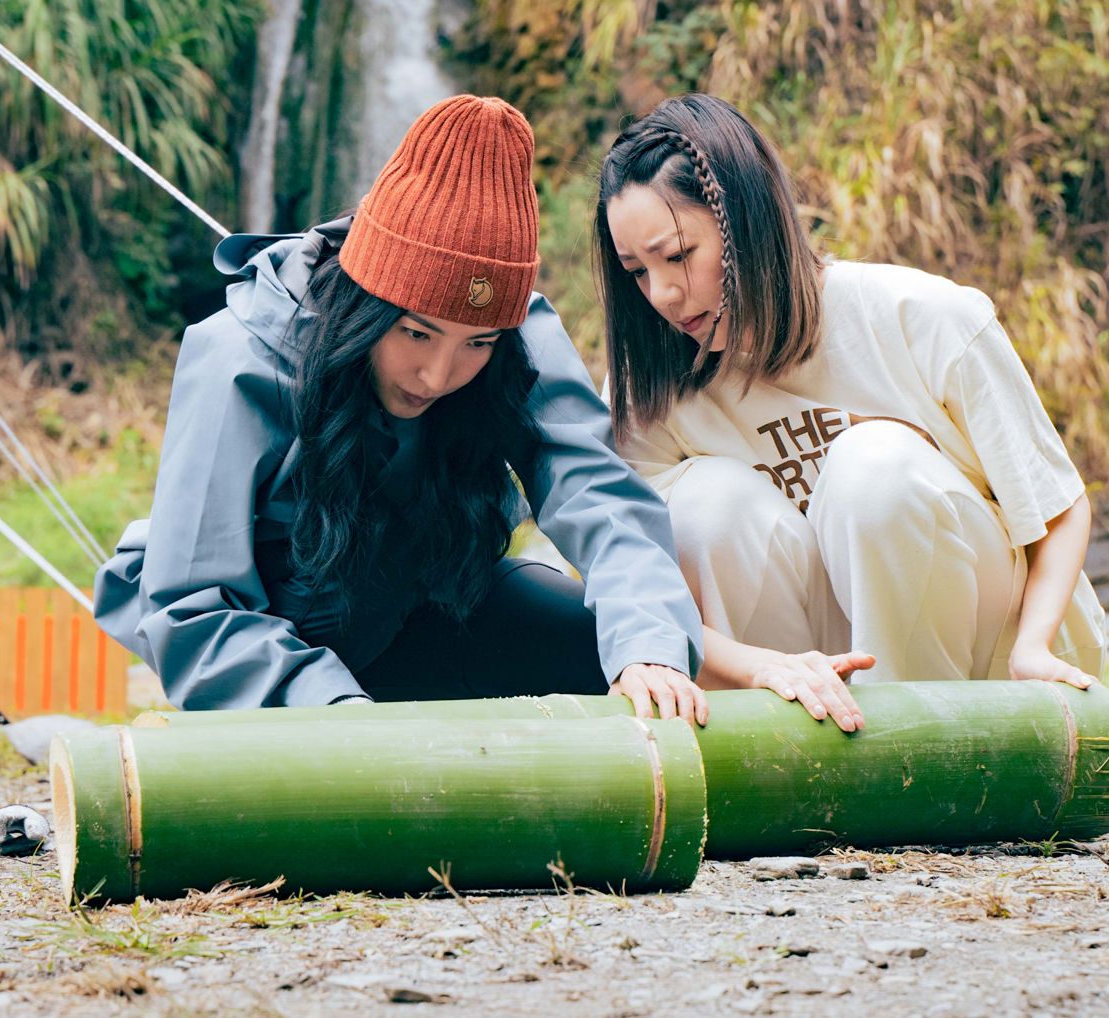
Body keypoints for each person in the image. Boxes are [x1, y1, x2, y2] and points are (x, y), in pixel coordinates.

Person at [94, 95, 709, 722]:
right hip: (272, 647)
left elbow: (599, 496)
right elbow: (194, 604)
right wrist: (339, 712)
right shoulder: (240, 355)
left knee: (610, 655)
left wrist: (649, 646)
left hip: (421, 606)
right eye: (416, 333)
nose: (438, 375)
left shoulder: (517, 336)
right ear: (368, 304)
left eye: (477, 344)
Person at [593, 93, 1106, 697]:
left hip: (992, 655)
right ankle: (798, 735)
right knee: (705, 505)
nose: (662, 294)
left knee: (873, 468)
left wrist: (1033, 648)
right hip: (803, 667)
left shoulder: (922, 316)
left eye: (678, 256)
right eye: (637, 271)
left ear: (747, 223)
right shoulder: (646, 390)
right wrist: (755, 667)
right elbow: (638, 589)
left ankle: (923, 737)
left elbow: (1055, 507)